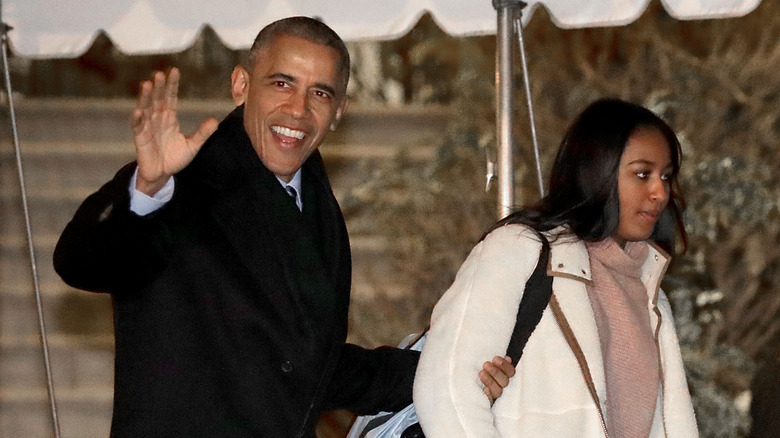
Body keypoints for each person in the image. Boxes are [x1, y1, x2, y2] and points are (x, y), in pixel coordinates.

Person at [53, 16, 512, 438]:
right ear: (241, 85)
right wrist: (146, 185)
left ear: (339, 112)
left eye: (320, 93)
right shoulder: (181, 182)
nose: (298, 110)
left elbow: (313, 367)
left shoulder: (318, 207)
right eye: (282, 83)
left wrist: (453, 372)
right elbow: (81, 262)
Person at [413, 99, 700, 437]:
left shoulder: (651, 294)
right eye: (642, 174)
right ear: (597, 171)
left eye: (666, 176)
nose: (660, 192)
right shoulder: (521, 250)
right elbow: (446, 389)